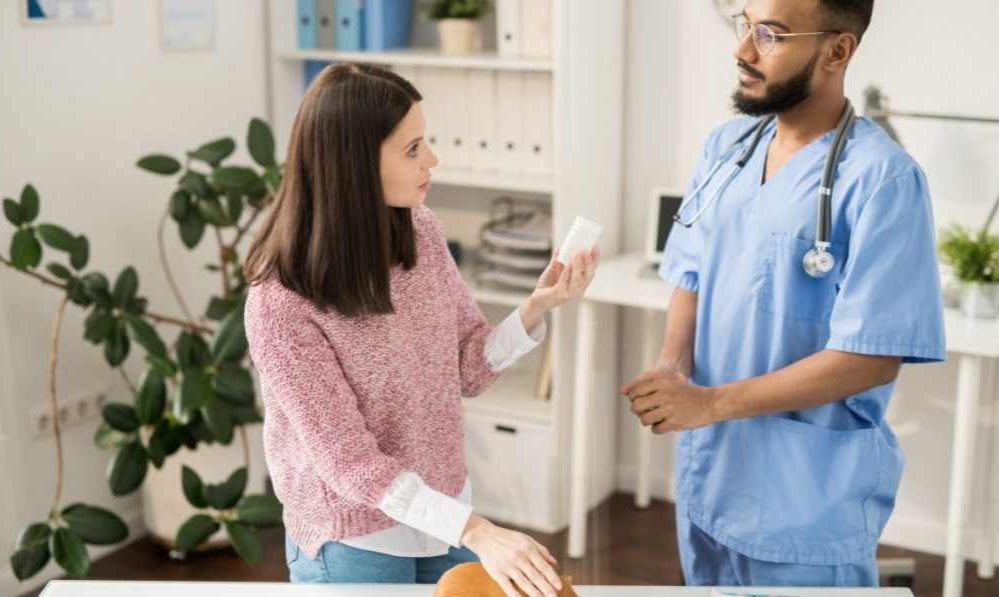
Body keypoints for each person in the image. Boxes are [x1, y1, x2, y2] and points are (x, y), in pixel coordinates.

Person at [243, 63, 598, 597]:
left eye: (425, 141)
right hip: (353, 544)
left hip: (444, 519)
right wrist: (477, 530)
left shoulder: (419, 233)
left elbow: (466, 369)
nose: (432, 159)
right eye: (412, 149)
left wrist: (535, 309)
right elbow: (349, 465)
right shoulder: (281, 305)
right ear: (354, 165)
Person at [621, 0, 944, 587]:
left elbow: (871, 356)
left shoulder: (884, 180)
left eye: (770, 34)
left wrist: (710, 403)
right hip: (711, 474)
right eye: (743, 24)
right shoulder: (726, 147)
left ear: (837, 51)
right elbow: (690, 272)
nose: (742, 50)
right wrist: (673, 367)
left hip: (806, 500)